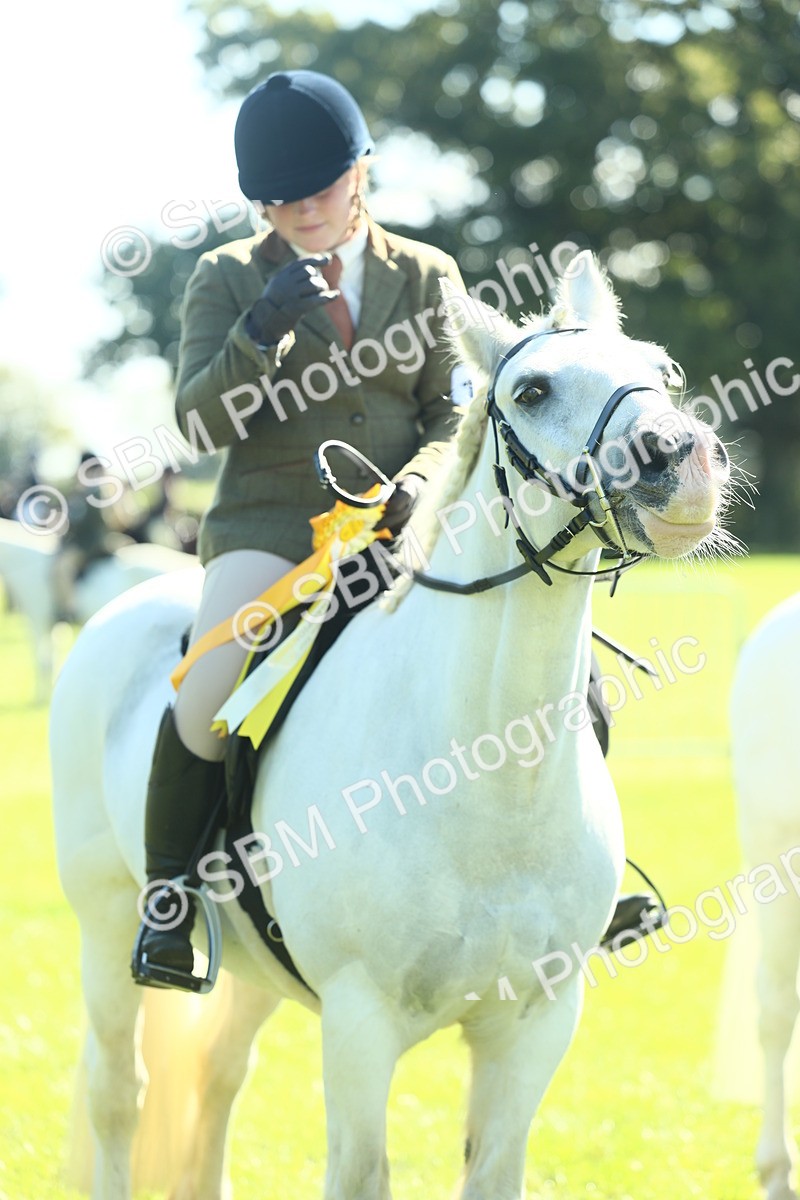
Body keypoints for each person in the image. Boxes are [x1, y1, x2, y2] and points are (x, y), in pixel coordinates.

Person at [133, 69, 467, 988]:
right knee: (209, 682)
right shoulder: (227, 276)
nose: (303, 212)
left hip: (407, 525)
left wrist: (419, 486)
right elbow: (200, 428)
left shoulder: (428, 274)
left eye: (319, 190)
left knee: (544, 644)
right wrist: (260, 335)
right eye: (279, 201)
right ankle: (169, 903)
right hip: (272, 528)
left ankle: (575, 885)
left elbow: (455, 413)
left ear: (360, 171)